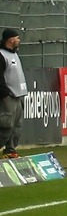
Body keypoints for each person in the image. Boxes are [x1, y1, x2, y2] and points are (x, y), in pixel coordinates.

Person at [0, 28, 23, 159]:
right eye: (17, 38)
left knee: (16, 126)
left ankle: (10, 150)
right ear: (11, 40)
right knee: (5, 126)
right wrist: (5, 94)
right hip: (8, 96)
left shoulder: (14, 54)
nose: (19, 41)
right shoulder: (1, 55)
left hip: (18, 95)